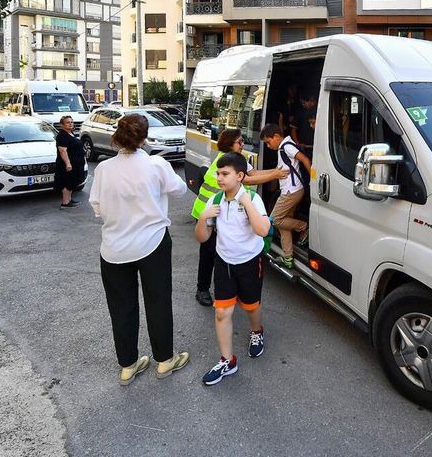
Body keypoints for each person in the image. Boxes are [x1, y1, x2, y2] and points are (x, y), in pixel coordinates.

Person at [89, 113, 190, 386]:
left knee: (121, 307)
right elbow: (179, 190)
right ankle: (165, 360)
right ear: (144, 138)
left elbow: (97, 208)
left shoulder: (103, 169)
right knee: (158, 302)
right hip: (152, 242)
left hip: (113, 248)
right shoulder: (156, 164)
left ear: (118, 136)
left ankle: (127, 365)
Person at [195, 152, 271, 386]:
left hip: (249, 262)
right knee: (222, 312)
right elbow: (202, 237)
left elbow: (263, 231)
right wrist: (203, 219)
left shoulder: (252, 198)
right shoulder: (215, 201)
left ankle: (257, 331)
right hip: (224, 263)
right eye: (218, 173)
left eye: (224, 174)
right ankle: (228, 360)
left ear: (240, 176)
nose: (219, 178)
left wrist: (246, 203)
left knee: (251, 306)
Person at [190, 128, 287, 307]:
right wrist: (274, 175)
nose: (243, 145)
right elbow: (247, 181)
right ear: (229, 144)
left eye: (243, 141)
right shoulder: (225, 161)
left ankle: (228, 289)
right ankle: (202, 289)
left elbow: (252, 174)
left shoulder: (238, 160)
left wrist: (275, 170)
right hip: (208, 210)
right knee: (209, 253)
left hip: (224, 211)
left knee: (222, 249)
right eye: (239, 142)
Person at [260, 124, 311, 270]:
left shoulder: (286, 146)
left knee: (275, 220)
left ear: (276, 137)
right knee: (284, 224)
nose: (268, 146)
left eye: (268, 142)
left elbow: (305, 160)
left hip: (291, 192)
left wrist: (314, 180)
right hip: (291, 190)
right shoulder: (284, 146)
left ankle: (304, 227)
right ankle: (288, 257)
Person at [54, 115, 86, 209]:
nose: (71, 124)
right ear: (62, 125)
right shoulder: (62, 136)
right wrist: (68, 164)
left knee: (73, 182)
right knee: (68, 183)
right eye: (68, 122)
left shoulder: (70, 133)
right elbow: (62, 151)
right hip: (69, 164)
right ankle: (65, 203)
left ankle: (69, 199)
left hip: (76, 163)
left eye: (71, 122)